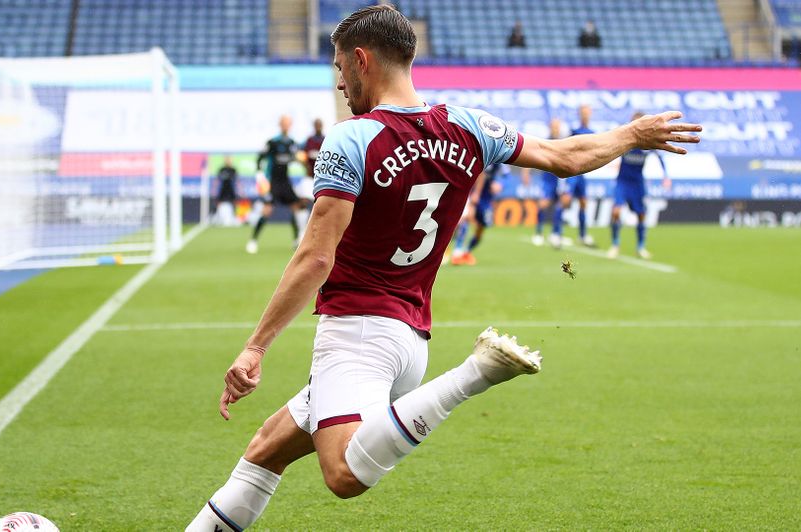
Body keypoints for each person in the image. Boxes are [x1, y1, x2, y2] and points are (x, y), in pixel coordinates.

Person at [186, 6, 699, 530]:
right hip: (409, 342)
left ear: (362, 60)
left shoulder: (352, 138)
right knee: (266, 450)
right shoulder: (468, 126)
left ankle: (476, 373)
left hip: (357, 333)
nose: (340, 83)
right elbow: (565, 156)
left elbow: (317, 256)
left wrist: (255, 346)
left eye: (340, 68)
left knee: (342, 472)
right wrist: (631, 135)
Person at [608, 111, 671, 260]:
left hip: (637, 183)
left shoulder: (648, 143)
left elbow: (660, 156)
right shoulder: (624, 141)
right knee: (616, 212)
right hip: (622, 182)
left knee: (641, 215)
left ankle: (641, 247)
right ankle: (615, 245)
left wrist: (666, 176)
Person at [246, 115, 309, 254]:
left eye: (288, 124)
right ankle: (253, 241)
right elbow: (260, 158)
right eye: (284, 123)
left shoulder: (292, 143)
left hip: (285, 181)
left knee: (297, 207)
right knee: (267, 210)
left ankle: (296, 239)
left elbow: (296, 158)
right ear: (280, 125)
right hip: (273, 181)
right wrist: (260, 175)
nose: (286, 126)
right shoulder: (273, 142)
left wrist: (303, 163)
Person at [449, 162, 507, 266]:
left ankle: (466, 252)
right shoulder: (482, 153)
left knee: (482, 227)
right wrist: (476, 193)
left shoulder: (499, 160)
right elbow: (481, 173)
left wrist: (500, 184)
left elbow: (507, 176)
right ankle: (456, 252)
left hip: (486, 198)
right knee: (465, 218)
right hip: (471, 192)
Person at [524, 118, 568, 248]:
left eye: (557, 126)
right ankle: (538, 232)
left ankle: (556, 233)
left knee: (561, 205)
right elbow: (532, 155)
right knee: (543, 204)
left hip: (560, 180)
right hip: (548, 180)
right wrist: (526, 172)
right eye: (554, 126)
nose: (556, 128)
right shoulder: (546, 141)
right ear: (550, 127)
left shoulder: (563, 142)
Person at [564, 105, 595, 247]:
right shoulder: (574, 132)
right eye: (583, 113)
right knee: (565, 200)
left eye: (587, 113)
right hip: (572, 172)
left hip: (582, 174)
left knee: (583, 203)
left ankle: (582, 235)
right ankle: (556, 233)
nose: (585, 115)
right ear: (579, 114)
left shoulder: (592, 133)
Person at [214, 156, 239, 227]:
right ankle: (218, 217)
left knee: (234, 203)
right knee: (219, 203)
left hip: (231, 189)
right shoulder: (222, 169)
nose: (228, 161)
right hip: (223, 189)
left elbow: (237, 181)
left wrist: (241, 191)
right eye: (227, 160)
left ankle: (234, 218)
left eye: (229, 160)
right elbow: (217, 180)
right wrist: (214, 190)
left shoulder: (233, 170)